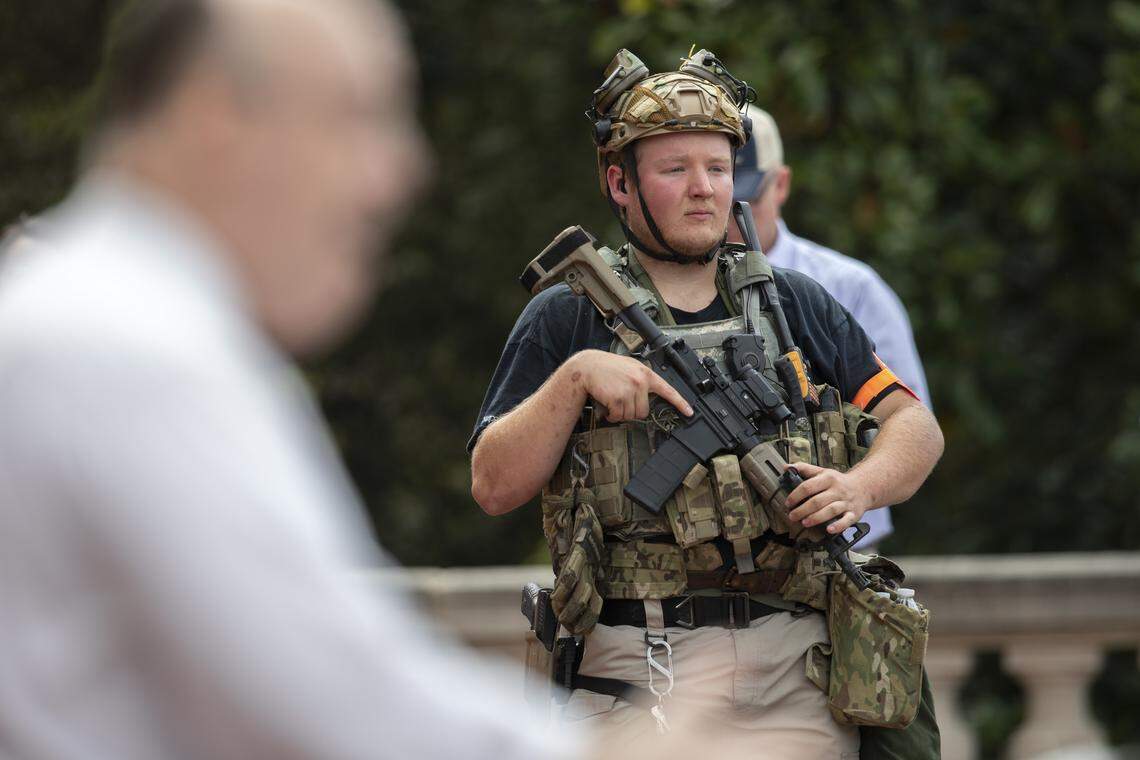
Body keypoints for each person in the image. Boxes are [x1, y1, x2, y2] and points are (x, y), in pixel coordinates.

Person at [0, 1, 581, 758]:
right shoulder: (129, 350)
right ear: (215, 113)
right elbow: (351, 717)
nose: (401, 173)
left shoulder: (91, 317)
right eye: (359, 115)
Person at [469, 48, 944, 756]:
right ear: (619, 183)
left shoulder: (792, 303)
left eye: (718, 168)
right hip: (638, 665)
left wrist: (858, 486)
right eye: (674, 169)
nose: (702, 189)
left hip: (795, 664)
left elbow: (915, 425)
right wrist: (573, 381)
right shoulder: (566, 317)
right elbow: (492, 484)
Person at [730, 106, 932, 549]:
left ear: (780, 184)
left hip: (840, 550)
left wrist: (854, 487)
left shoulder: (847, 287)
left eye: (747, 197)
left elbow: (909, 423)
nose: (733, 215)